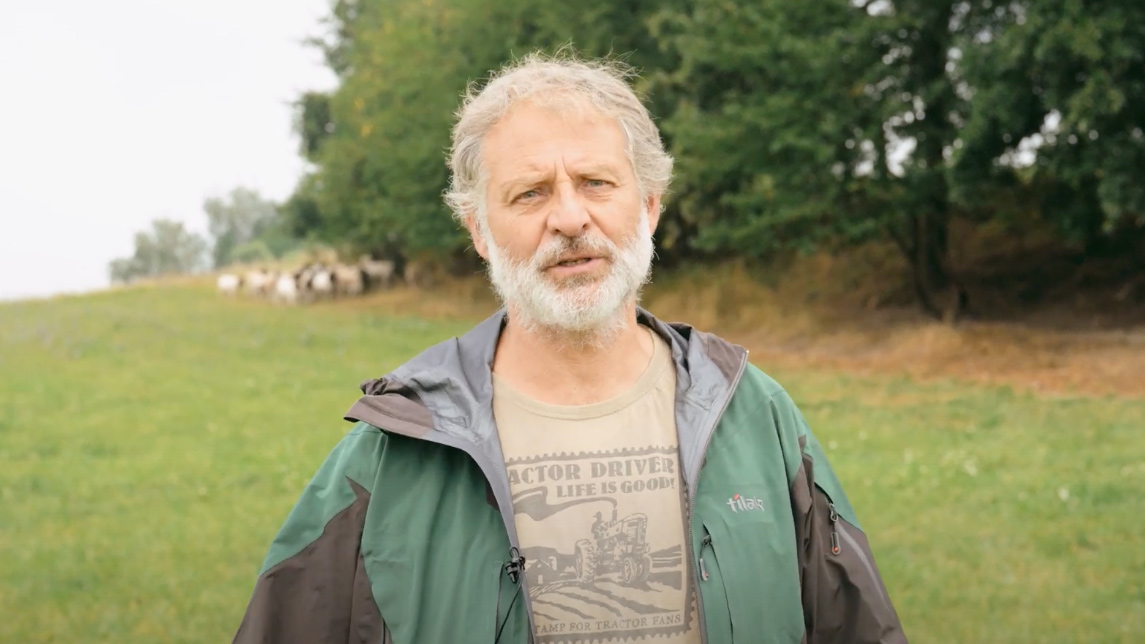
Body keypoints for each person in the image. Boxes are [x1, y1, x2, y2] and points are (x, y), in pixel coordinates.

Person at [232, 51, 909, 644]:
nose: (568, 218)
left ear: (647, 206)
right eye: (529, 194)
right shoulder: (395, 449)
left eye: (596, 183)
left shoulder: (755, 417)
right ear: (478, 230)